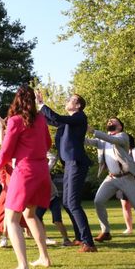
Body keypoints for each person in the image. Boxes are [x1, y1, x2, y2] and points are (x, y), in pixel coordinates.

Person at [0, 85, 52, 269]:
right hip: (42, 171)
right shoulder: (41, 119)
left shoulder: (15, 121)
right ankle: (44, 258)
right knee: (30, 215)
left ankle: (23, 267)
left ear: (16, 100)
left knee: (11, 219)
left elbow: (6, 151)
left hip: (25, 172)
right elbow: (48, 143)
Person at [36, 91, 97, 252]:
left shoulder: (79, 117)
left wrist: (43, 106)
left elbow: (58, 118)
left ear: (77, 105)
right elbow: (51, 119)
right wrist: (38, 106)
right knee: (67, 203)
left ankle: (88, 243)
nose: (68, 100)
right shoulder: (69, 122)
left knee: (73, 203)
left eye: (71, 100)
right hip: (69, 164)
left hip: (76, 162)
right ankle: (79, 237)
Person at [86, 117, 135, 243]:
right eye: (109, 120)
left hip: (126, 178)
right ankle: (105, 232)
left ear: (120, 126)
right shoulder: (102, 140)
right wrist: (73, 131)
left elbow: (111, 139)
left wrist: (93, 130)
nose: (110, 121)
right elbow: (87, 142)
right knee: (98, 201)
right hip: (111, 178)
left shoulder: (123, 136)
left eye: (114, 121)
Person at [35, 152, 73, 246]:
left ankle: (66, 239)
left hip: (53, 197)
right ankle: (45, 238)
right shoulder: (29, 176)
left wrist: (42, 149)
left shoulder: (45, 169)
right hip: (41, 199)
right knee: (37, 217)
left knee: (57, 220)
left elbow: (52, 158)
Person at [0, 114, 14, 248]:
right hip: (7, 183)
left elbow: (5, 138)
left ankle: (5, 236)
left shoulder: (14, 148)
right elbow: (2, 140)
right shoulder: (5, 151)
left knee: (22, 212)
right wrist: (1, 124)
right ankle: (3, 236)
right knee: (3, 211)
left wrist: (2, 125)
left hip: (14, 181)